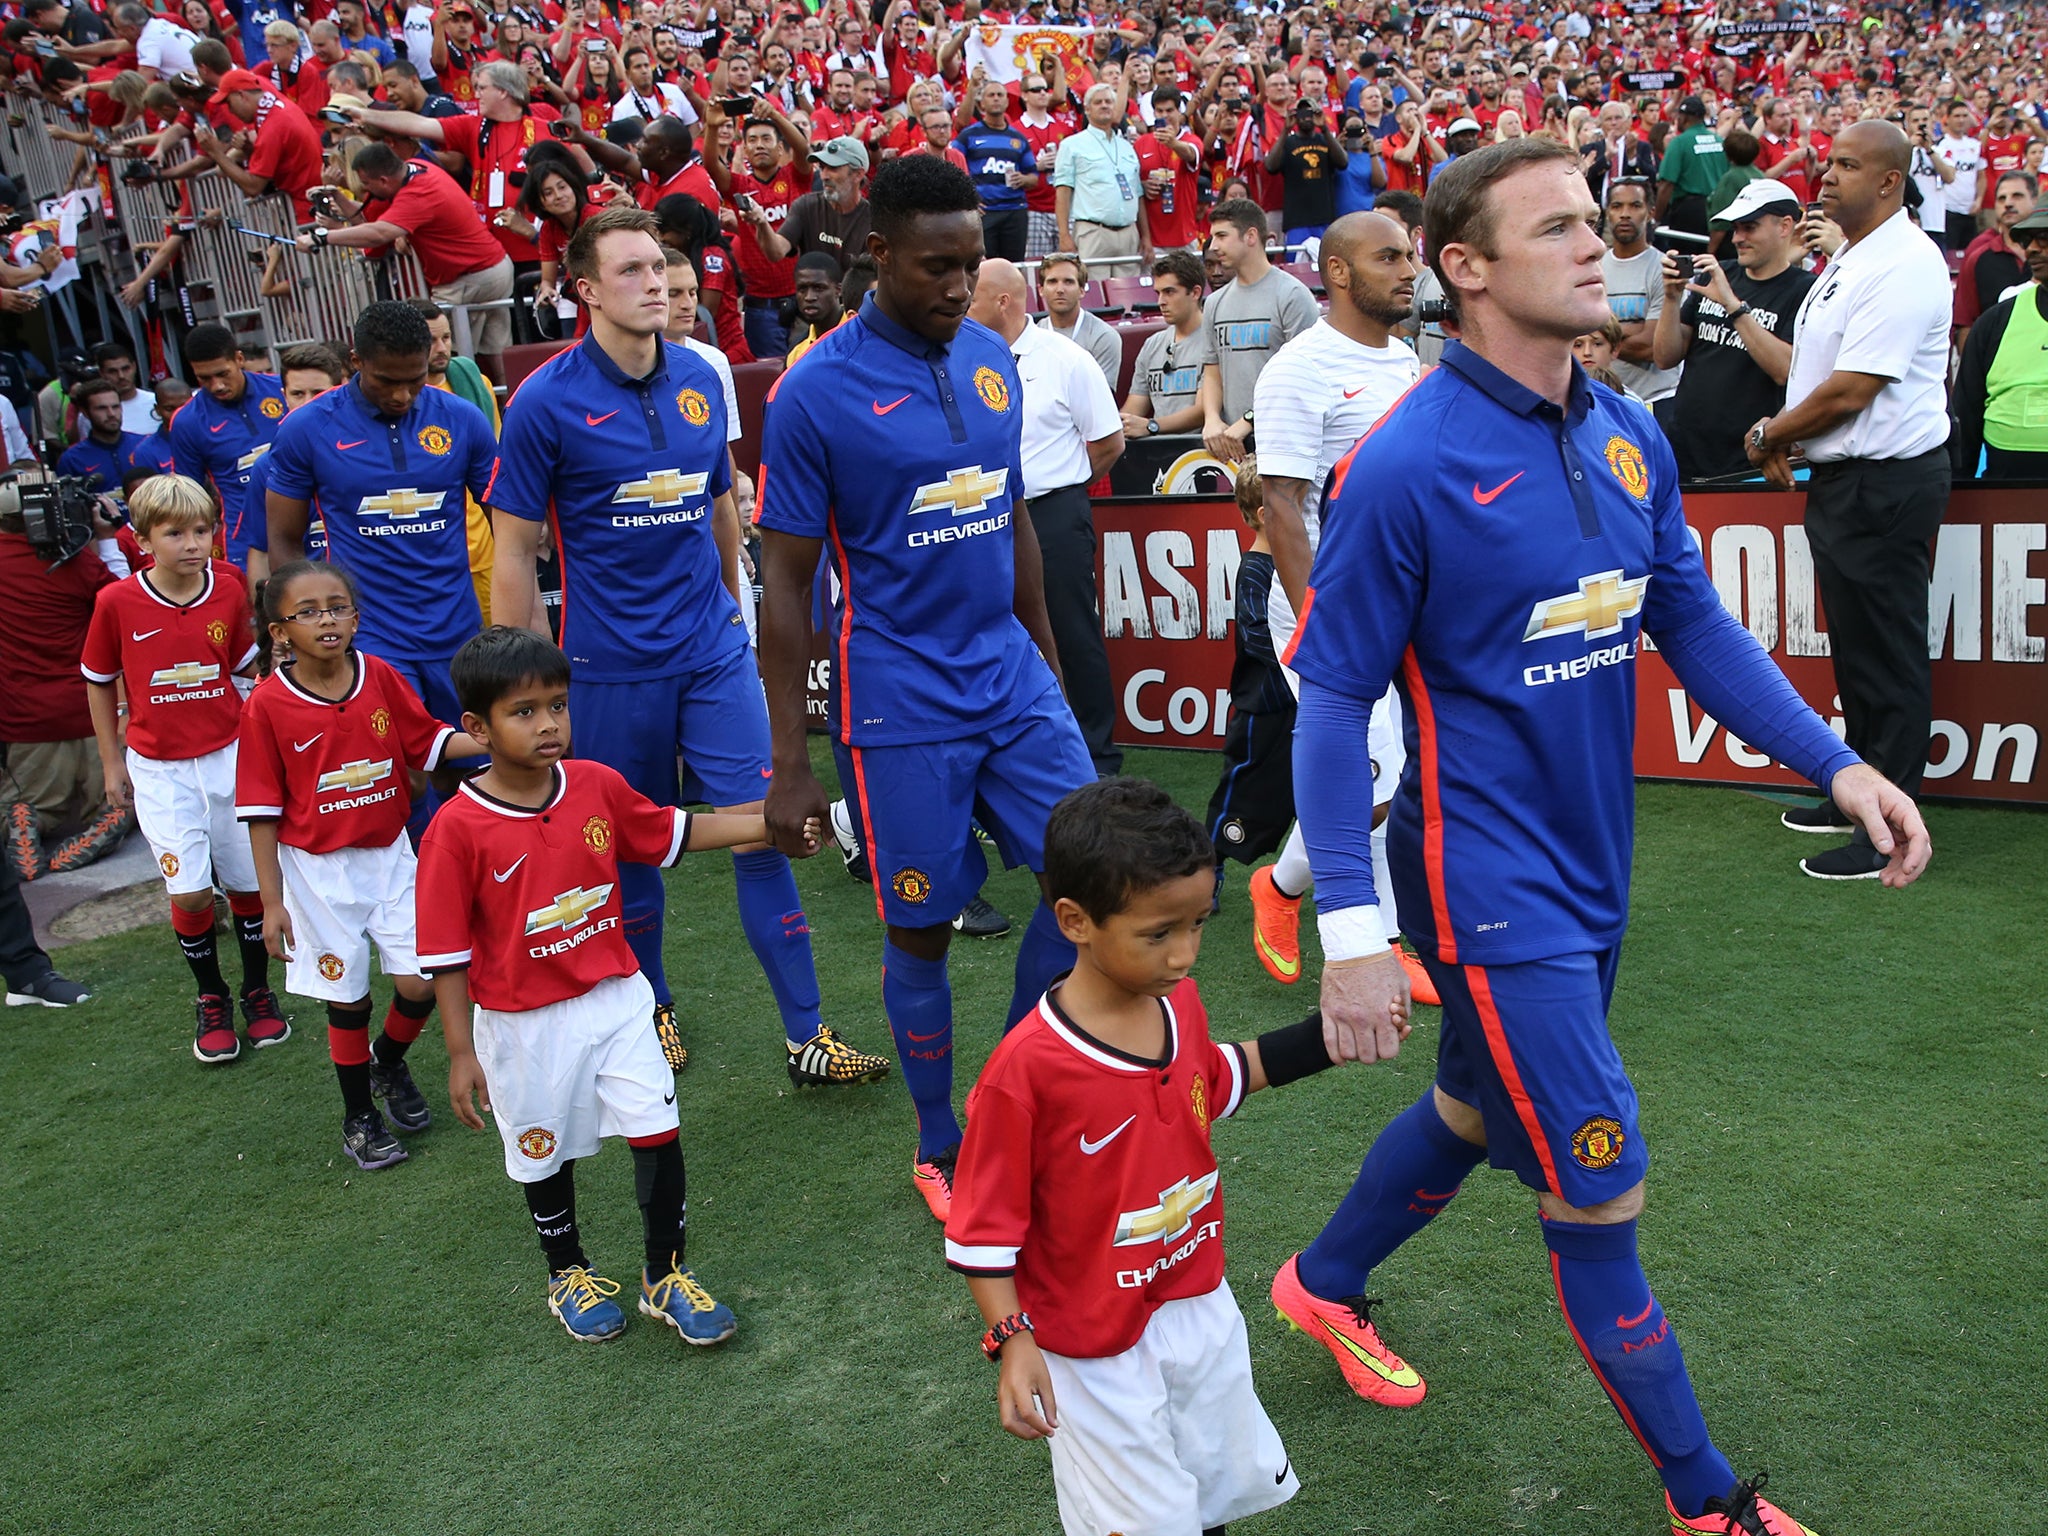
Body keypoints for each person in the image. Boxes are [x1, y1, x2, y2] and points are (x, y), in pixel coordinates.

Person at [1272, 139, 1926, 1536]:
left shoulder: (1621, 428)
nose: (1595, 245)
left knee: (1467, 1109)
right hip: (1484, 883)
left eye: (1593, 219)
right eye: (1557, 226)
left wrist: (1839, 761)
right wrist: (1350, 935)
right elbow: (1329, 699)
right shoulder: (1406, 467)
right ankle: (1712, 1505)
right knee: (1596, 1182)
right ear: (1467, 269)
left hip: (1595, 864)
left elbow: (1685, 621)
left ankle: (1318, 1283)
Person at [755, 156, 1095, 1222]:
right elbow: (786, 581)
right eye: (934, 268)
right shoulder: (811, 390)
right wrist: (790, 764)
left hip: (1009, 677)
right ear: (877, 254)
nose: (957, 288)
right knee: (920, 931)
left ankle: (1004, 1079)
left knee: (1092, 879)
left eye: (971, 268)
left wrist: (1047, 669)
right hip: (898, 697)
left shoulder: (993, 362)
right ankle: (940, 1141)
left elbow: (1015, 529)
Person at [491, 204, 882, 1085]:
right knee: (627, 847)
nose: (657, 284)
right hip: (606, 669)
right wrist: (516, 680)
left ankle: (807, 1036)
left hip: (711, 655)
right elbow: (515, 546)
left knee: (767, 829)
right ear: (584, 289)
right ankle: (654, 1005)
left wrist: (735, 618)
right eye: (631, 271)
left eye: (663, 271)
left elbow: (718, 507)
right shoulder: (544, 401)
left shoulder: (703, 376)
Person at [946, 779, 1339, 1536]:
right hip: (1093, 1349)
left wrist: (1330, 1039)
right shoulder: (1024, 1074)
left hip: (1196, 1306)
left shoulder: (1177, 1003)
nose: (1186, 954)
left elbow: (1220, 1079)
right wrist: (1010, 1339)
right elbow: (982, 1235)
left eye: (1198, 924)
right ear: (1076, 921)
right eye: (1160, 933)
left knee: (1209, 1494)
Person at [419, 627, 781, 1346]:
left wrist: (771, 824)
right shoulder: (455, 829)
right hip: (522, 1025)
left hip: (617, 998)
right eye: (524, 711)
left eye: (557, 705)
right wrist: (461, 1051)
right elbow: (446, 954)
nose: (549, 723)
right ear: (476, 728)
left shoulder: (594, 785)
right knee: (543, 1153)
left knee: (658, 1129)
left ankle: (663, 1276)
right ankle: (567, 1273)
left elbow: (671, 832)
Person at [1747, 121, 1954, 879]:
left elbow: (1854, 388)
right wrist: (1797, 437)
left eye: (1848, 165)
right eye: (1828, 162)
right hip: (1847, 478)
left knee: (1887, 659)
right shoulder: (1852, 257)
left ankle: (1889, 834)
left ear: (1891, 181)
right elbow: (1823, 375)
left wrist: (1773, 432)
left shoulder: (1903, 261)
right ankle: (1858, 794)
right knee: (1860, 653)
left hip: (1885, 482)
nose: (1827, 176)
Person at [1242, 211, 1432, 1005]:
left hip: (1398, 603)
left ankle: (1299, 894)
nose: (1410, 269)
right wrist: (1326, 625)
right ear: (1339, 272)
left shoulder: (1410, 361)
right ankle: (1347, 922)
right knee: (1376, 781)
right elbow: (1281, 506)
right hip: (1326, 610)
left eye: (1412, 255)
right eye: (1389, 257)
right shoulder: (1298, 369)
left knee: (1394, 775)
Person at [237, 561, 486, 1169]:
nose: (328, 619)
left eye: (339, 606)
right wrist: (271, 901)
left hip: (391, 855)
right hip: (316, 873)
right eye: (310, 611)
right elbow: (262, 811)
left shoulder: (379, 675)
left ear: (356, 615)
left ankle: (389, 1062)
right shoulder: (267, 706)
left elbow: (427, 742)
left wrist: (500, 738)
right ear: (279, 633)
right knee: (346, 999)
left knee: (421, 983)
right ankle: (359, 1117)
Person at [80, 475, 289, 1063]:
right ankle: (211, 996)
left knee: (249, 885)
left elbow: (248, 670)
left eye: (202, 530)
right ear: (143, 540)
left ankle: (257, 992)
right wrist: (110, 760)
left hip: (230, 757)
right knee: (194, 893)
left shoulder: (226, 590)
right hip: (160, 769)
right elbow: (97, 683)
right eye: (175, 533)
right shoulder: (116, 602)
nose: (193, 543)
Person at [263, 302, 496, 773]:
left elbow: (507, 521)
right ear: (356, 361)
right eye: (387, 381)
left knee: (475, 768)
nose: (403, 394)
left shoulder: (462, 419)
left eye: (415, 379)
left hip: (457, 628)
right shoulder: (307, 429)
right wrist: (298, 628)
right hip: (372, 635)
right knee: (399, 773)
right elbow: (284, 541)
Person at [968, 259, 1125, 778]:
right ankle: (1020, 753)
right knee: (997, 631)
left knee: (1070, 632)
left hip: (1053, 513)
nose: (964, 303)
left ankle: (1096, 759)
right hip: (988, 517)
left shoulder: (1067, 359)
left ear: (1004, 301)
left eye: (974, 296)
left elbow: (1108, 442)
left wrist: (1061, 488)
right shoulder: (965, 358)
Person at [307, 144, 520, 379]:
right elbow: (373, 221)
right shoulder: (419, 169)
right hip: (493, 267)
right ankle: (506, 407)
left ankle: (456, 409)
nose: (364, 190)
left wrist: (323, 237)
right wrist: (338, 196)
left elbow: (379, 233)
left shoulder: (418, 193)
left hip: (468, 278)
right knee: (498, 354)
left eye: (366, 184)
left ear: (384, 180)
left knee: (443, 355)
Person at [1650, 180, 1814, 480]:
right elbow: (1664, 357)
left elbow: (1785, 369)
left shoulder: (1805, 290)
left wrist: (1733, 306)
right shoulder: (1719, 274)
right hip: (1684, 448)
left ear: (1785, 226)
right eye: (1735, 228)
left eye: (1749, 227)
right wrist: (1672, 299)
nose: (1737, 238)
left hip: (1747, 459)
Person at [1203, 457, 1294, 876]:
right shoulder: (1256, 570)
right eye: (1294, 500)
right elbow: (1258, 636)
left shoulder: (1300, 561)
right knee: (1246, 791)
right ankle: (1207, 865)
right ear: (1263, 515)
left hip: (1303, 699)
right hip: (1266, 705)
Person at [1197, 199, 1320, 463]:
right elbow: (1212, 370)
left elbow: (1300, 378)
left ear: (1251, 236)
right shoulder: (1214, 302)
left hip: (1285, 441)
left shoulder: (1292, 295)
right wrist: (1211, 419)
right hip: (1231, 446)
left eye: (1222, 235)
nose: (1214, 246)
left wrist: (1248, 420)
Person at [167, 323, 287, 573]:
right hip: (245, 540)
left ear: (239, 359)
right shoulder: (187, 421)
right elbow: (190, 495)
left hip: (307, 525)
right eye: (204, 378)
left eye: (223, 373)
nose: (217, 385)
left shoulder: (282, 391)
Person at [1953, 203, 2048, 479]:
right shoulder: (1996, 321)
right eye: (2027, 240)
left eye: (2043, 238)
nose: (2031, 248)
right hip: (2005, 494)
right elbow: (1966, 413)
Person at [717, 98, 813, 360]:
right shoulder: (738, 185)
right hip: (760, 306)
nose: (759, 144)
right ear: (744, 150)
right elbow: (713, 168)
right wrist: (713, 127)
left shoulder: (795, 177)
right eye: (752, 140)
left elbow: (804, 150)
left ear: (781, 147)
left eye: (767, 138)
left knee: (806, 368)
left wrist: (776, 115)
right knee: (771, 376)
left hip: (802, 298)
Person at [191, 67, 324, 223]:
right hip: (309, 203)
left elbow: (253, 187)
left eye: (229, 103)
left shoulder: (272, 126)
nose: (230, 111)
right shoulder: (277, 107)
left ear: (241, 96)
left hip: (306, 212)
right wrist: (248, 149)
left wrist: (215, 153)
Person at [1054, 84, 1146, 278]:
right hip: (1093, 232)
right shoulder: (1072, 145)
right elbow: (1063, 192)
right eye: (1098, 102)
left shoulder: (1128, 147)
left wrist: (1145, 236)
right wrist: (1064, 236)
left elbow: (1138, 194)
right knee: (1094, 294)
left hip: (1129, 232)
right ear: (1087, 109)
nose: (1104, 106)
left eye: (1109, 102)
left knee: (1129, 296)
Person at [1600, 178, 1678, 403]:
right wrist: (1635, 328)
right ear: (1608, 213)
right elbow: (1578, 333)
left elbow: (1652, 347)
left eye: (1635, 206)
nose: (1625, 214)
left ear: (1650, 212)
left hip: (1655, 399)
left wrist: (1601, 336)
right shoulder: (1594, 268)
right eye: (1617, 206)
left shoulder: (1665, 269)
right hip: (1606, 398)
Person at [1120, 250, 1210, 438]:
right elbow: (1134, 407)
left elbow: (1203, 411)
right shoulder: (1152, 344)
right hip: (1158, 453)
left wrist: (1152, 426)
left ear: (1195, 293)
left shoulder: (1212, 340)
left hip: (1201, 450)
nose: (1161, 301)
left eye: (1169, 292)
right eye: (1158, 293)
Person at [758, 135, 870, 273]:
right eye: (822, 168)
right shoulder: (805, 206)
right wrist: (761, 223)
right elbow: (776, 252)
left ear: (858, 174)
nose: (824, 176)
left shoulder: (873, 219)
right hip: (811, 293)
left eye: (833, 168)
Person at [954, 80, 1037, 264]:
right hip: (984, 213)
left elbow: (1034, 177)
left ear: (1007, 101)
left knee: (1014, 267)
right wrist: (968, 200)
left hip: (1015, 212)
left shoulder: (1018, 138)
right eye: (991, 95)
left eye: (1000, 95)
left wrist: (1023, 178)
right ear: (981, 103)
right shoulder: (968, 135)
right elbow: (951, 165)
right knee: (983, 266)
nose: (996, 99)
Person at [1953, 170, 2038, 342]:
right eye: (2001, 198)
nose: (2008, 203)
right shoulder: (1978, 258)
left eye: (2017, 196)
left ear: (2035, 201)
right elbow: (1966, 324)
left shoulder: (2044, 255)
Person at [1265, 94, 1348, 252]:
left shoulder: (1325, 140)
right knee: (1298, 265)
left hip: (1324, 217)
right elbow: (1270, 166)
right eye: (1301, 114)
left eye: (1310, 113)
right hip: (1297, 220)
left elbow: (1343, 162)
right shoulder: (1289, 142)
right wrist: (1285, 131)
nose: (1306, 118)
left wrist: (1325, 129)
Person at [1032, 251, 1120, 391]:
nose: (1060, 289)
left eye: (1068, 282)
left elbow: (1099, 399)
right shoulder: (1033, 335)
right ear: (1041, 290)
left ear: (1082, 290)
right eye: (1052, 282)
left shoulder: (1103, 335)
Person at [57, 379, 148, 494]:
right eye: (102, 408)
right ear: (85, 412)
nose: (111, 414)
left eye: (115, 407)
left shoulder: (144, 445)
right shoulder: (71, 460)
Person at [1653, 94, 1725, 238]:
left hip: (1689, 212)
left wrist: (1656, 218)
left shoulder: (1679, 142)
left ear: (1683, 117)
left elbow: (1666, 185)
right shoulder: (1719, 141)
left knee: (1687, 256)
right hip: (1719, 208)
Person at [1935, 99, 1983, 251]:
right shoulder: (1940, 145)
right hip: (1949, 210)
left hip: (1971, 210)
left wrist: (1979, 199)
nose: (1961, 120)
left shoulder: (1975, 145)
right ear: (1947, 119)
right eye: (1956, 116)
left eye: (1964, 115)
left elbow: (1981, 175)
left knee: (1970, 255)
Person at [783, 251, 844, 364]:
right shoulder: (796, 351)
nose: (809, 297)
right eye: (802, 289)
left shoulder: (860, 337)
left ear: (838, 290)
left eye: (819, 288)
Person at [90, 340, 158, 436]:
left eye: (125, 369)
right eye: (113, 371)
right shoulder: (94, 411)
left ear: (134, 367)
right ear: (102, 373)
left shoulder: (156, 401)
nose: (121, 376)